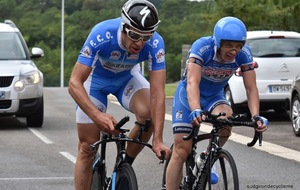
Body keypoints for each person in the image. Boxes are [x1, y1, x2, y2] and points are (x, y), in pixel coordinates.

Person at [68, 0, 171, 189]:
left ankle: (123, 165)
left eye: (146, 37)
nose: (140, 43)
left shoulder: (156, 43)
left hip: (126, 79)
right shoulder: (102, 33)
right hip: (95, 82)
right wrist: (97, 115)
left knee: (148, 114)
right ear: (123, 26)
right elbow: (74, 83)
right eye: (134, 35)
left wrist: (158, 140)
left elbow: (158, 94)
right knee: (87, 148)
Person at [165, 16, 269, 189]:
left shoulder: (244, 54)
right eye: (228, 45)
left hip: (214, 95)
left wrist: (256, 115)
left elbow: (251, 88)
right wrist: (196, 109)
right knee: (182, 150)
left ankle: (207, 156)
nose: (233, 51)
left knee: (226, 121)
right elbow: (192, 83)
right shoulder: (202, 47)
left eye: (238, 46)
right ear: (218, 42)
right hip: (188, 96)